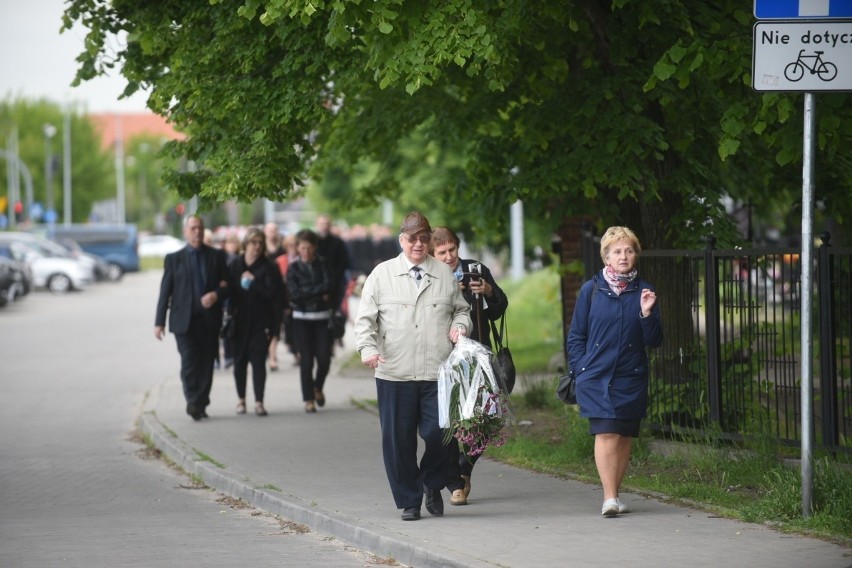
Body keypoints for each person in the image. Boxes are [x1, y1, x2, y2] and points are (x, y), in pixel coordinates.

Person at [354, 212, 471, 521]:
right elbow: (364, 319)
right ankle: (409, 499)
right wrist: (367, 349)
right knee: (398, 441)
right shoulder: (382, 274)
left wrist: (460, 328)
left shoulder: (444, 275)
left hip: (437, 371)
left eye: (423, 238)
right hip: (394, 372)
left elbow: (462, 311)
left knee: (439, 435)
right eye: (412, 238)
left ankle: (431, 483)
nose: (418, 244)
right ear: (401, 240)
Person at [566, 225, 662, 516]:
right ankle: (609, 498)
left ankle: (616, 493)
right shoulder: (591, 290)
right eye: (617, 251)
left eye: (629, 250)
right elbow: (576, 335)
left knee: (623, 435)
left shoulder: (644, 291)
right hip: (595, 376)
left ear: (636, 255)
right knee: (606, 432)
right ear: (606, 257)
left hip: (630, 375)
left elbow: (655, 340)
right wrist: (580, 370)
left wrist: (647, 314)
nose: (623, 256)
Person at [430, 226, 509, 506]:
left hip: (479, 357)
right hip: (445, 360)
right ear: (432, 254)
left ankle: (466, 467)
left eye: (452, 250)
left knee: (486, 417)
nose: (449, 256)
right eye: (442, 253)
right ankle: (455, 480)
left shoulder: (476, 269)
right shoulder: (431, 276)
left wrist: (487, 290)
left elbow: (500, 308)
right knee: (450, 421)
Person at [154, 215, 229, 421]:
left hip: (209, 320)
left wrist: (216, 295)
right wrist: (159, 322)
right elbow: (165, 291)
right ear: (186, 232)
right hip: (183, 321)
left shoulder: (216, 256)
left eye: (200, 228)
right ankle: (193, 401)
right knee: (189, 362)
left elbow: (228, 285)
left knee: (206, 363)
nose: (197, 231)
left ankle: (201, 402)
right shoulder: (174, 259)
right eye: (193, 228)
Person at [227, 227, 283, 417]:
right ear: (246, 244)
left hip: (261, 322)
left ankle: (259, 402)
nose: (257, 247)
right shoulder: (235, 264)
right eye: (253, 243)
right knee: (239, 362)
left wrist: (255, 283)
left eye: (260, 243)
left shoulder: (269, 266)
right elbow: (229, 293)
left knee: (259, 362)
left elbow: (275, 295)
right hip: (239, 321)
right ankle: (241, 400)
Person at [287, 229, 334, 413]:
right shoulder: (293, 268)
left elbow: (328, 285)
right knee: (306, 360)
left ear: (315, 247)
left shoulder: (323, 265)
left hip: (322, 318)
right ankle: (308, 399)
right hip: (301, 318)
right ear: (298, 248)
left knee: (324, 359)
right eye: (303, 247)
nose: (306, 251)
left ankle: (317, 387)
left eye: (309, 247)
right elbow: (294, 294)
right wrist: (317, 293)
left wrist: (308, 292)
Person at [264, 222, 286, 370]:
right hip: (263, 293)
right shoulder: (261, 248)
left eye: (275, 230)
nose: (272, 232)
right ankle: (270, 352)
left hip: (279, 291)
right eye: (270, 230)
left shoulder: (282, 249)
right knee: (265, 325)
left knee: (277, 326)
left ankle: (272, 355)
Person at [221, 233, 242, 369]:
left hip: (236, 296)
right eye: (230, 243)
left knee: (234, 325)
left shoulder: (240, 259)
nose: (232, 246)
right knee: (227, 325)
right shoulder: (222, 259)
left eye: (234, 243)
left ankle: (233, 354)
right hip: (226, 298)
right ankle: (228, 354)